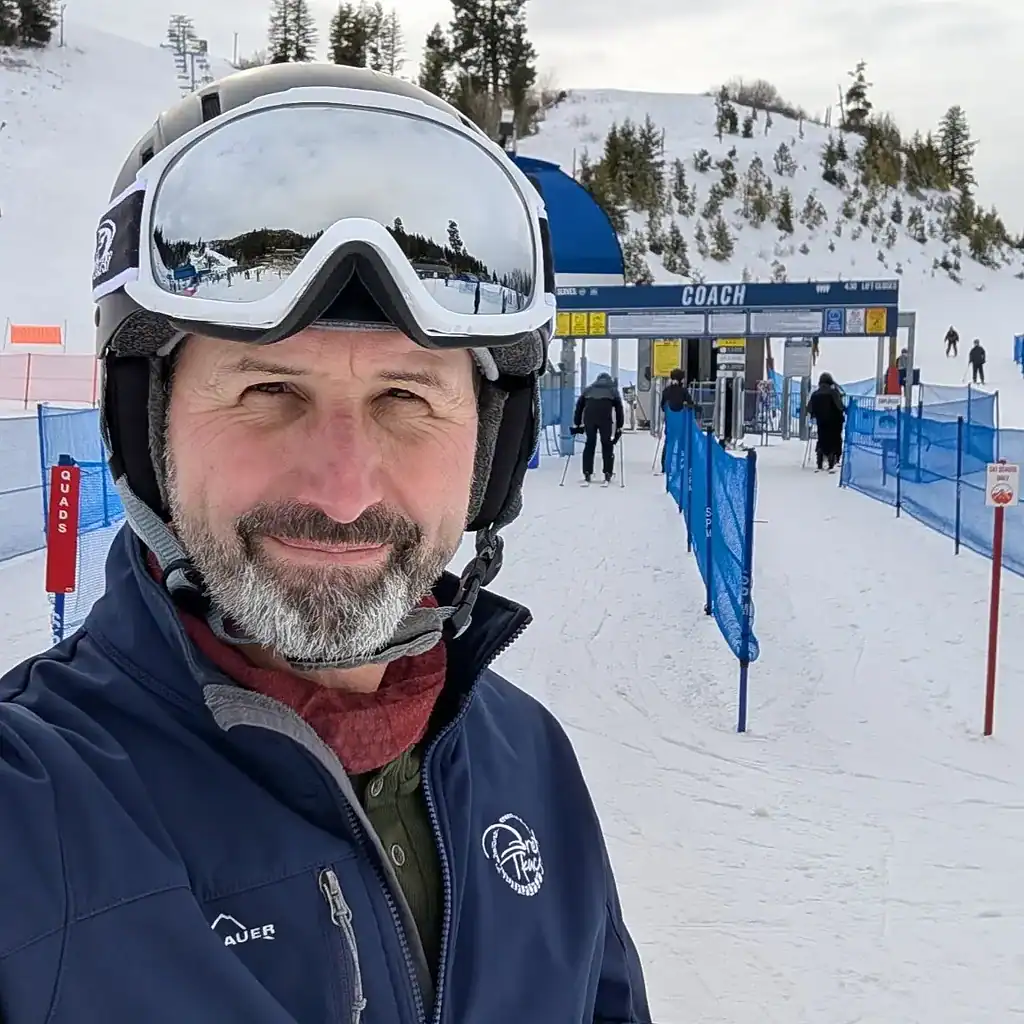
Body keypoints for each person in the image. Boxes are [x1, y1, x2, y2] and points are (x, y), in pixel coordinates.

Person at [0, 65, 649, 1022]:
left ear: (492, 447)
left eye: (405, 397)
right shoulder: (26, 817)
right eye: (268, 393)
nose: (344, 493)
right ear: (144, 426)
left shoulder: (530, 764)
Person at [572, 371, 625, 485]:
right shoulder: (612, 391)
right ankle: (607, 472)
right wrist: (620, 426)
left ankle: (587, 472)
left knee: (590, 444)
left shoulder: (588, 389)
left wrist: (577, 423)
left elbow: (579, 406)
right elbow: (619, 409)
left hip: (589, 419)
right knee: (606, 444)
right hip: (605, 419)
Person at [807, 371, 846, 472]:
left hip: (821, 422)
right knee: (835, 440)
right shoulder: (833, 393)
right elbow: (840, 406)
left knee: (822, 439)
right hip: (835, 422)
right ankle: (833, 456)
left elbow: (809, 408)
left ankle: (820, 453)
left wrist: (815, 414)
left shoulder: (815, 394)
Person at [660, 367, 693, 472]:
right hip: (681, 423)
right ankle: (681, 465)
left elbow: (662, 406)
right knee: (682, 444)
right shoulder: (683, 392)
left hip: (670, 423)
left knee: (669, 443)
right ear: (681, 380)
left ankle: (665, 466)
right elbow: (691, 404)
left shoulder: (666, 391)